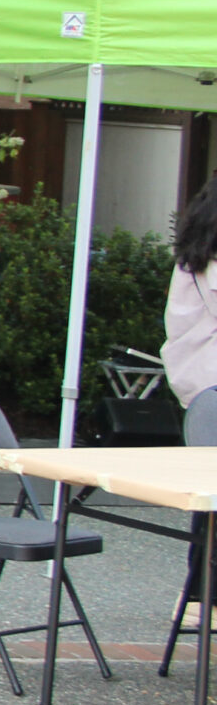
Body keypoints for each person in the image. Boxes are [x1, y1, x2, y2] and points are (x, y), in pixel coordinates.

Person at [163, 175, 217, 627]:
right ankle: (202, 599)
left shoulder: (194, 257)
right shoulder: (211, 264)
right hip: (213, 391)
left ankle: (200, 597)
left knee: (210, 499)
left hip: (201, 390)